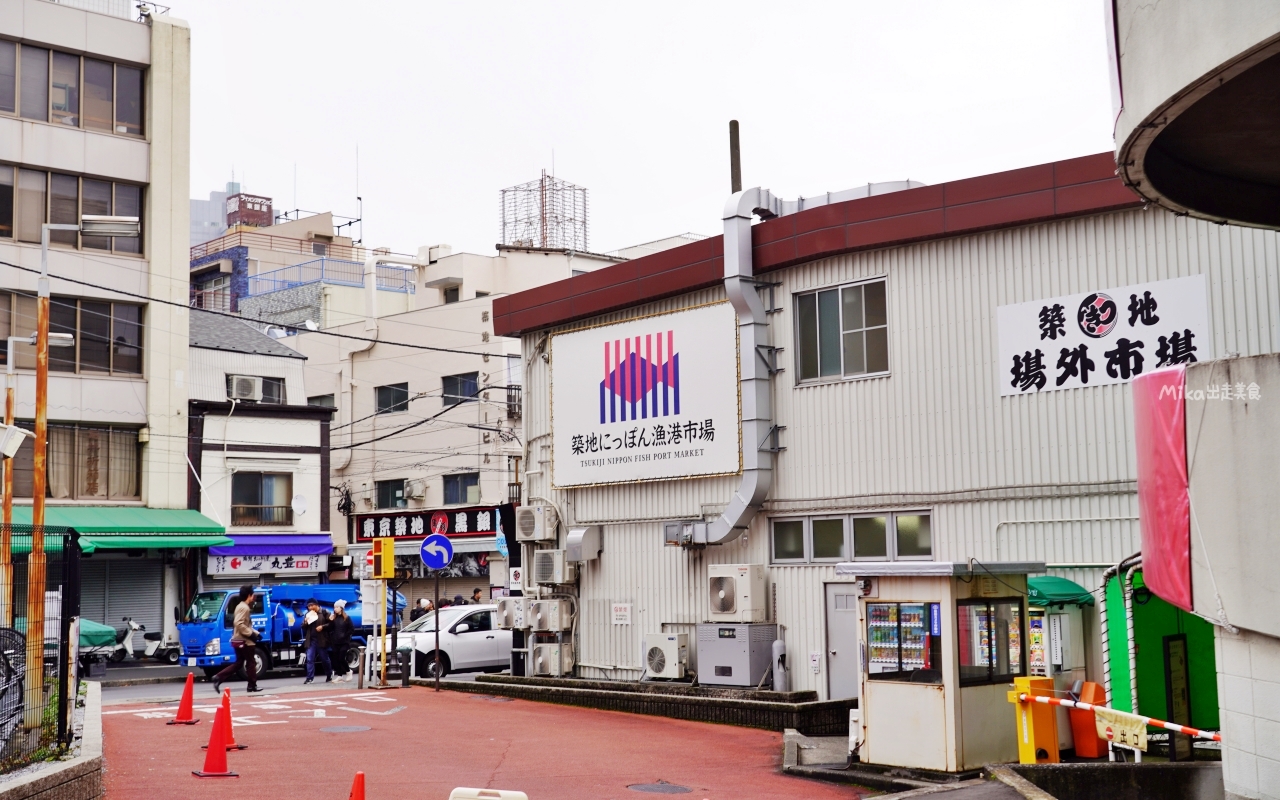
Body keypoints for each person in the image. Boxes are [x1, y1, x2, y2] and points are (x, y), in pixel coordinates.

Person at [212, 585, 261, 694]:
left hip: (238, 639)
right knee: (251, 663)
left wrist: (256, 633)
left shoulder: (239, 606)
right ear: (249, 595)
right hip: (245, 641)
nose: (253, 597)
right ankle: (252, 685)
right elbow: (238, 623)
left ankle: (218, 678)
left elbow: (244, 624)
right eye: (252, 595)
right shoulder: (245, 607)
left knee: (239, 663)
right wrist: (251, 635)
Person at [303, 598, 333, 684]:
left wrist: (322, 627)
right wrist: (305, 622)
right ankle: (309, 678)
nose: (310, 607)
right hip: (311, 640)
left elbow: (331, 624)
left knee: (324, 659)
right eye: (309, 606)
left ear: (317, 605)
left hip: (322, 639)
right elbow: (303, 627)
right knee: (309, 659)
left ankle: (329, 675)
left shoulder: (324, 612)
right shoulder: (307, 614)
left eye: (312, 605)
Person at [328, 599, 355, 683]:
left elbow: (351, 629)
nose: (335, 609)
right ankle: (339, 675)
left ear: (341, 608)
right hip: (335, 641)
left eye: (337, 607)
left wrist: (345, 636)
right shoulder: (334, 618)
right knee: (335, 659)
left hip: (344, 642)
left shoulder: (347, 618)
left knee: (341, 658)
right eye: (334, 607)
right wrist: (330, 621)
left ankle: (348, 671)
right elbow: (330, 629)